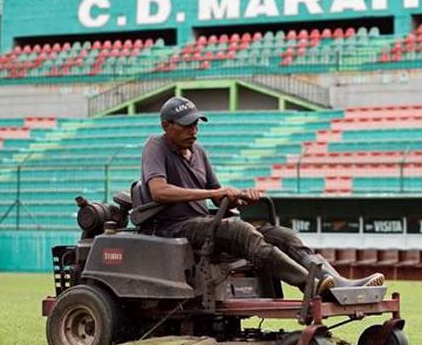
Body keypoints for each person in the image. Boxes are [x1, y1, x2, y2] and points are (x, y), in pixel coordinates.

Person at [139, 96, 384, 293]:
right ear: (166, 125)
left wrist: (239, 196)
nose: (194, 130)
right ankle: (308, 282)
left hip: (204, 225)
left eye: (196, 124)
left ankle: (336, 282)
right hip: (174, 228)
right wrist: (216, 192)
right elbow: (158, 191)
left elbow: (217, 198)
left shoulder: (199, 151)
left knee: (282, 235)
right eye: (186, 125)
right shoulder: (155, 146)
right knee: (240, 231)